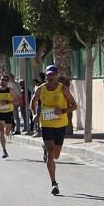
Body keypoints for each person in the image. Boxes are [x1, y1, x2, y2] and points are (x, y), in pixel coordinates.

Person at [30, 65, 78, 196]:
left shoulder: (63, 89)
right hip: (46, 125)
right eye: (48, 75)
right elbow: (33, 101)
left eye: (52, 75)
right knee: (51, 152)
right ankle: (54, 183)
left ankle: (46, 149)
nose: (49, 77)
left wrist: (62, 111)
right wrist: (34, 114)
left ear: (56, 76)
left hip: (60, 125)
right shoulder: (41, 89)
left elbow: (74, 106)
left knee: (56, 155)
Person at [0, 75, 17, 158]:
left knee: (7, 132)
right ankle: (4, 150)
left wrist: (7, 102)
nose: (3, 81)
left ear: (7, 82)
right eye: (2, 80)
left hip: (8, 112)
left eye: (5, 80)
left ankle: (11, 126)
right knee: (1, 131)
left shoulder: (10, 90)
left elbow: (17, 101)